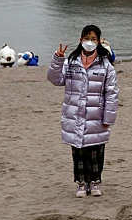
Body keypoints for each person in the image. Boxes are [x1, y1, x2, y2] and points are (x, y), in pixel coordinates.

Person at [47, 25, 119, 198]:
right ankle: (81, 183)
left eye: (93, 39)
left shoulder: (105, 65)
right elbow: (55, 79)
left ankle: (94, 182)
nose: (90, 42)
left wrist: (108, 117)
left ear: (99, 42)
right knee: (78, 152)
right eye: (87, 38)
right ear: (80, 40)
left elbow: (112, 93)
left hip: (96, 115)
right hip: (75, 115)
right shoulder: (71, 62)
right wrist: (58, 59)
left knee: (96, 152)